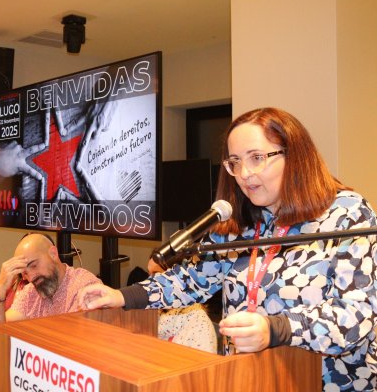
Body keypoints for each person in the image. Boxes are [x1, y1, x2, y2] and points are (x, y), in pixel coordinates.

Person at [78, 107, 377, 392]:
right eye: (235, 162)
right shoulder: (240, 221)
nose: (244, 173)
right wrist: (122, 296)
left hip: (330, 382)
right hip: (252, 378)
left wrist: (276, 329)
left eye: (257, 157)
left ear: (295, 156)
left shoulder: (347, 213)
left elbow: (356, 315)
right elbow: (190, 280)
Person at [0, 232, 101, 360]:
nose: (30, 277)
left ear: (53, 254)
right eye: (24, 273)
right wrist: (0, 290)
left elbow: (69, 353)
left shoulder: (84, 286)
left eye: (34, 265)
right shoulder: (32, 290)